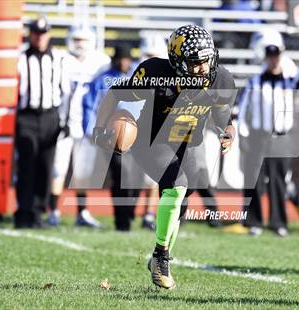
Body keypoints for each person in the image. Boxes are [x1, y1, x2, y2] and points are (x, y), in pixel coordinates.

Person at [93, 25, 236, 289]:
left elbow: (223, 116)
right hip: (152, 140)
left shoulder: (221, 80)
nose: (203, 68)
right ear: (178, 62)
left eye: (206, 60)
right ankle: (161, 256)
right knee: (176, 186)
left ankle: (161, 253)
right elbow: (115, 93)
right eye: (195, 63)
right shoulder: (156, 74)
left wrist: (228, 132)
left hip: (190, 143)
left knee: (181, 203)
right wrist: (100, 129)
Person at [236, 29, 299, 237]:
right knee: (254, 180)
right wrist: (243, 136)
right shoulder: (255, 82)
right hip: (258, 136)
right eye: (270, 56)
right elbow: (243, 110)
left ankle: (278, 222)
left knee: (278, 181)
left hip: (281, 137)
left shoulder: (290, 81)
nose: (274, 61)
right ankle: (254, 222)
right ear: (265, 58)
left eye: (277, 56)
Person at [48, 24, 110, 227]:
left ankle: (81, 213)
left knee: (82, 173)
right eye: (76, 40)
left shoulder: (101, 62)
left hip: (87, 126)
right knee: (58, 169)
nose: (80, 44)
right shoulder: (61, 59)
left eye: (83, 40)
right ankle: (54, 212)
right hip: (63, 124)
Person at [14, 17, 70, 228]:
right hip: (26, 116)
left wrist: (64, 121)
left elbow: (66, 92)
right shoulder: (20, 57)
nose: (39, 37)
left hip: (50, 116)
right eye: (36, 33)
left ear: (48, 34)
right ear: (30, 34)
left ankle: (37, 213)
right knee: (26, 165)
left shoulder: (60, 58)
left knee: (45, 167)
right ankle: (23, 213)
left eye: (43, 33)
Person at [82, 45, 136, 231]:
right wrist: (92, 131)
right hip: (111, 136)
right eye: (121, 59)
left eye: (127, 59)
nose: (124, 63)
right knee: (121, 174)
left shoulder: (138, 76)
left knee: (134, 176)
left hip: (136, 135)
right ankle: (121, 221)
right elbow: (90, 105)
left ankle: (129, 214)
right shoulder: (103, 79)